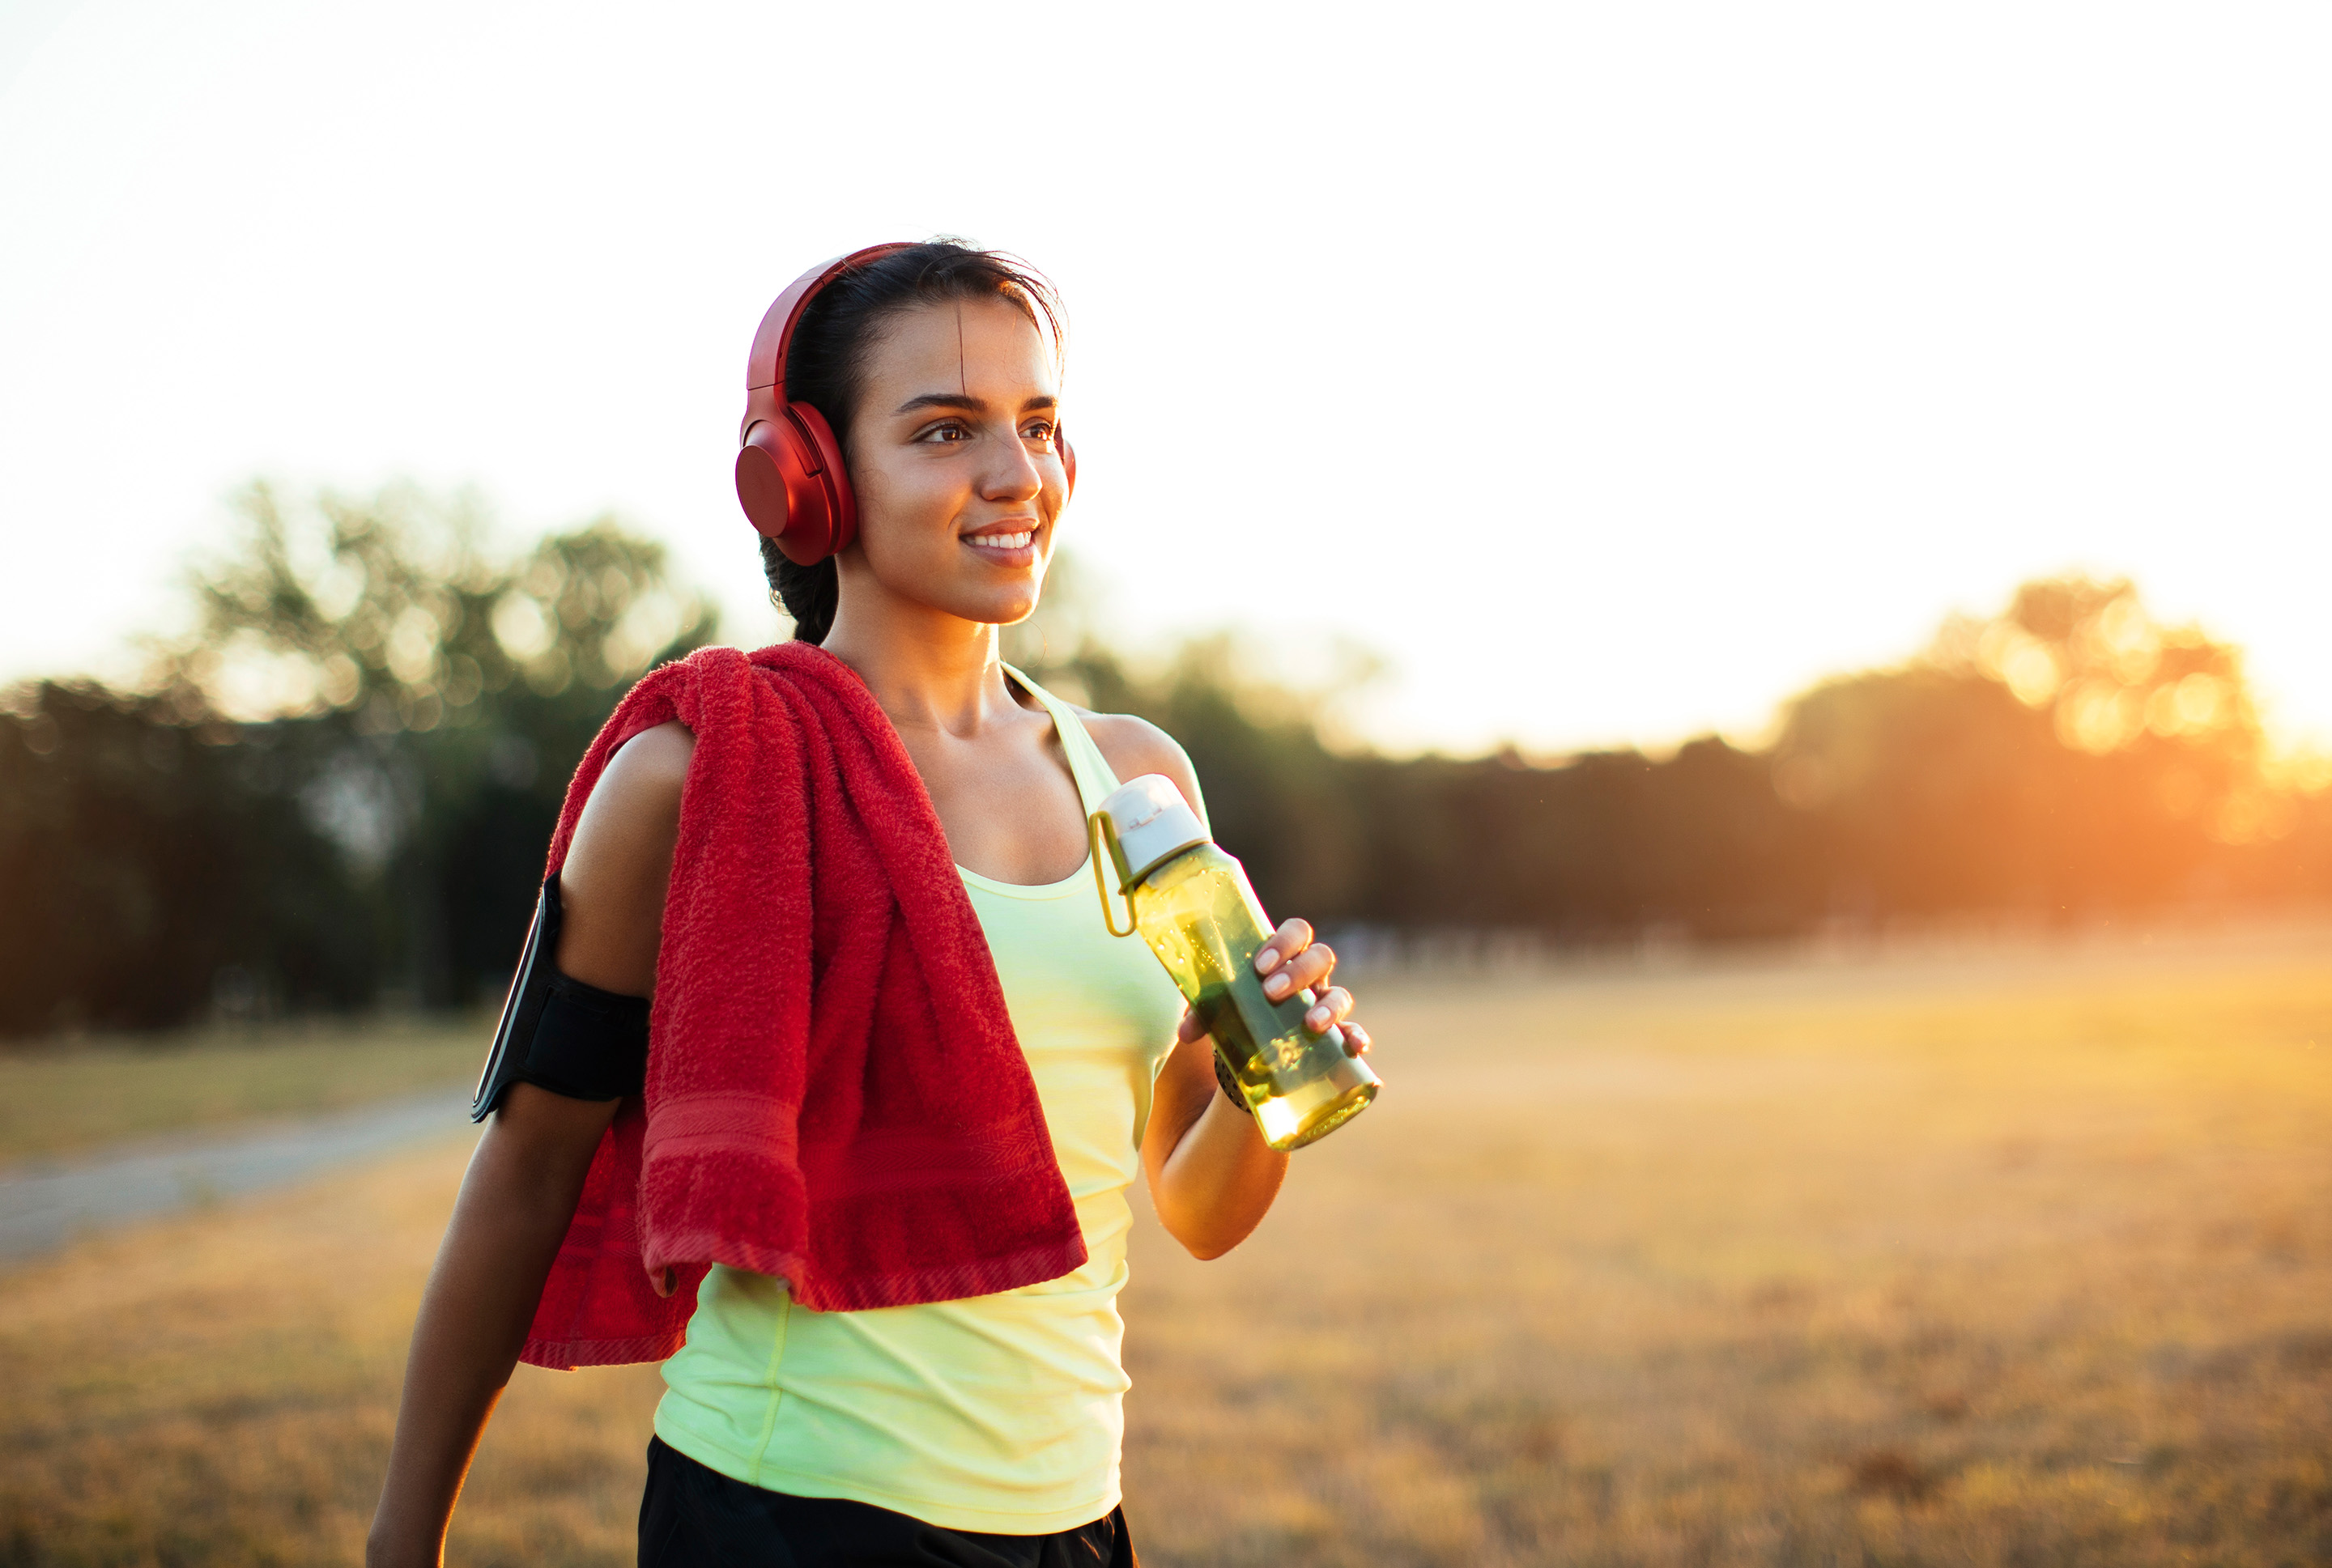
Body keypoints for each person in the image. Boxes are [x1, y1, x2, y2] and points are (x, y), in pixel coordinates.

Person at [366, 240, 1370, 1567]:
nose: (1016, 475)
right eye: (947, 428)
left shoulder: (1140, 783)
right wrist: (402, 1544)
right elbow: (526, 1172)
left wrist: (1268, 1090)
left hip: (1073, 1519)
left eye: (1040, 424)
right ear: (806, 480)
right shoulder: (699, 781)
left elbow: (1191, 1205)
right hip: (787, 1516)